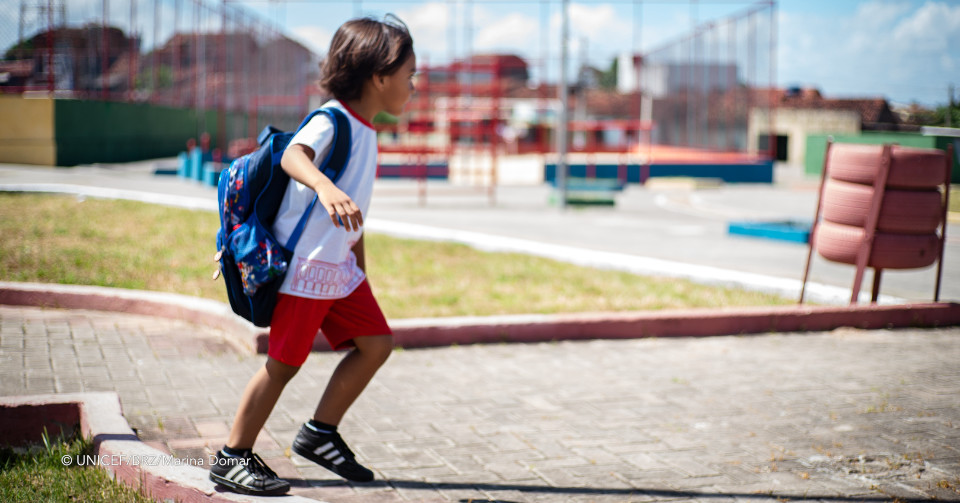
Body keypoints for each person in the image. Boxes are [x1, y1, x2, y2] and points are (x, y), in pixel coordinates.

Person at [209, 15, 416, 496]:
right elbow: (292, 155)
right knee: (283, 364)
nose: (413, 84)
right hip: (306, 270)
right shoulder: (333, 119)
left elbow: (353, 212)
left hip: (338, 271)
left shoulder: (367, 131)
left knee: (376, 344)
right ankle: (231, 457)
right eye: (410, 74)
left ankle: (320, 434)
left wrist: (360, 268)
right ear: (380, 76)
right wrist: (323, 185)